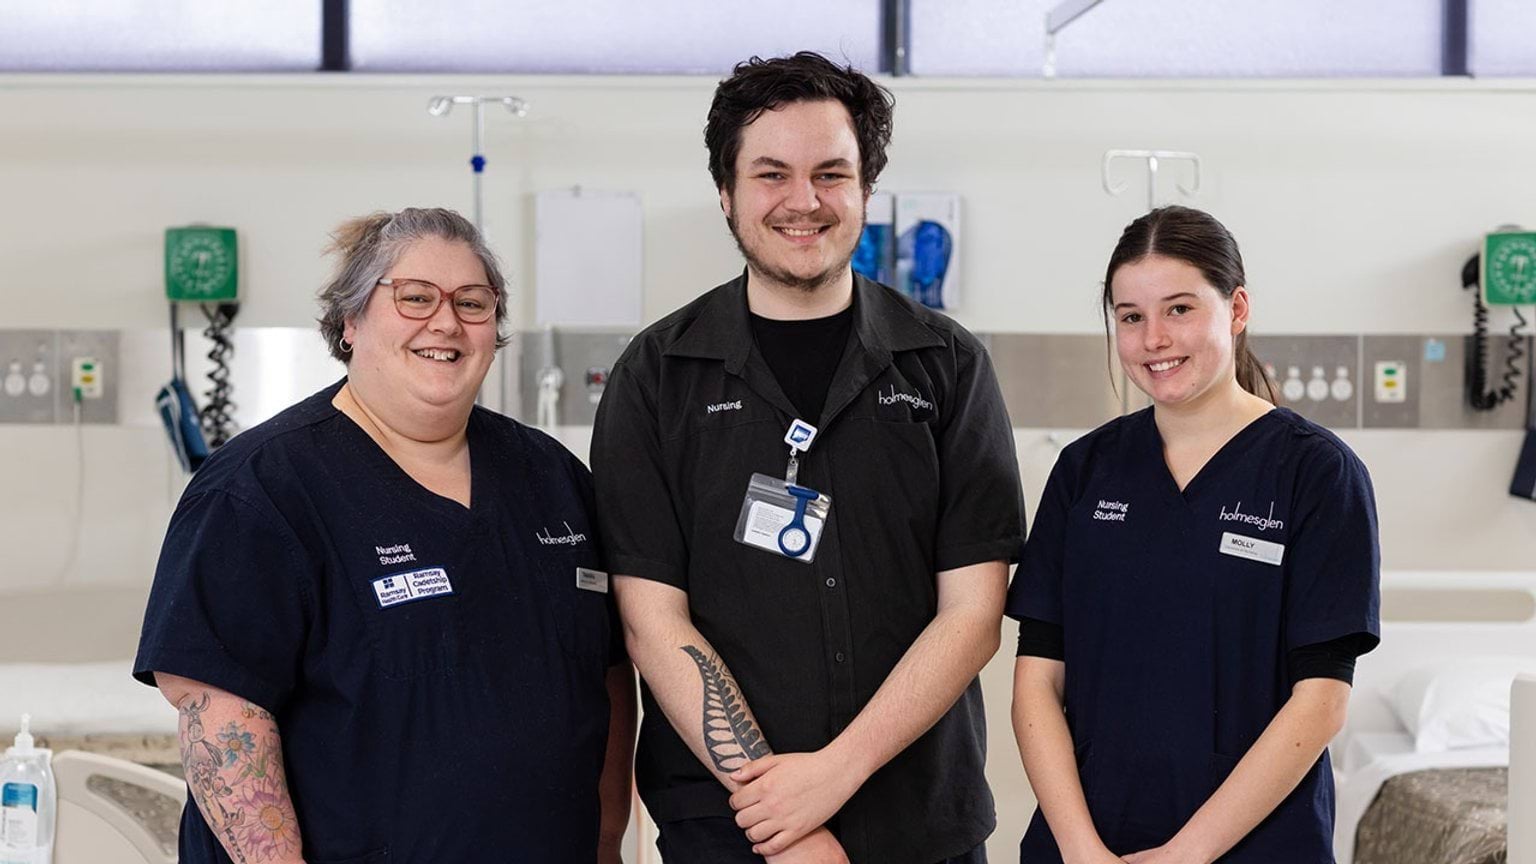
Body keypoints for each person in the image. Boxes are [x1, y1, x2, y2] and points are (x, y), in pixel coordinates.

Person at [591, 52, 1024, 864]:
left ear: (866, 190)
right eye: (771, 174)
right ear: (726, 193)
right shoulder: (656, 377)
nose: (804, 201)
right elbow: (653, 622)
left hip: (918, 826)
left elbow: (972, 614)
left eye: (832, 173)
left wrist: (834, 774)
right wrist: (779, 813)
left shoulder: (946, 365)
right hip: (730, 830)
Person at [134, 207, 636, 864]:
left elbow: (604, 679)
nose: (447, 322)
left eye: (474, 303)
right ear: (350, 320)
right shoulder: (261, 489)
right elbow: (221, 712)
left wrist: (605, 845)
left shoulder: (552, 479)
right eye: (414, 297)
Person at [1007, 205, 1381, 863]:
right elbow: (1037, 678)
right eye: (1130, 317)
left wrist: (1187, 855)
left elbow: (1321, 702)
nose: (1154, 338)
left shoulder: (1315, 473)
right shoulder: (1084, 470)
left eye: (1179, 309)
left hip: (1255, 846)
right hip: (1087, 838)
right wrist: (1080, 849)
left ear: (1236, 310)